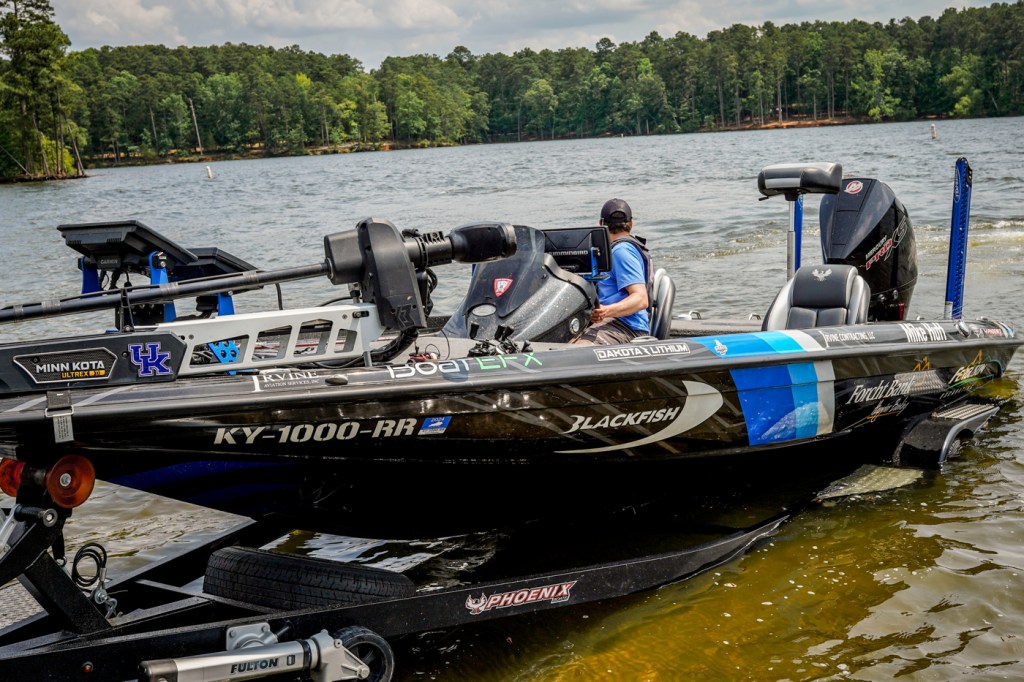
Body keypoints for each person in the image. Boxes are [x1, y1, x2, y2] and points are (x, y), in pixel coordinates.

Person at [572, 198, 652, 345]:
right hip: (611, 323)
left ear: (601, 223)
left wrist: (606, 311)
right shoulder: (612, 252)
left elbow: (641, 299)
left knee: (577, 350)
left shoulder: (621, 251)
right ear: (631, 224)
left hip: (626, 327)